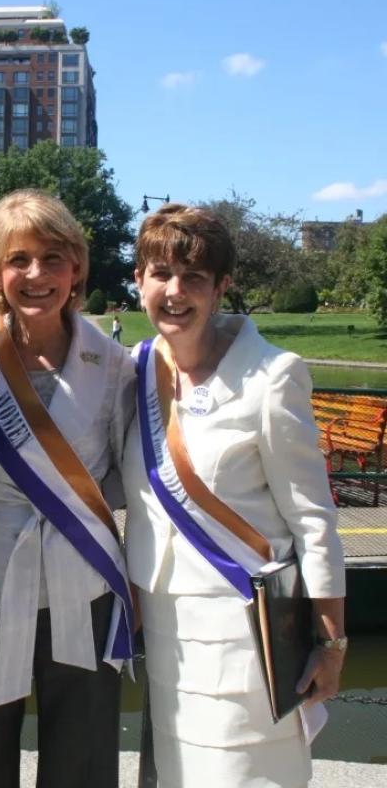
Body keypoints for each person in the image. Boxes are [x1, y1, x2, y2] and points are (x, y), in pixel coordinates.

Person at [122, 204, 346, 788]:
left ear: (221, 287)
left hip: (252, 636)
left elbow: (314, 520)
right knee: (180, 772)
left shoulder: (273, 377)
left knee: (247, 773)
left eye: (194, 278)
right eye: (160, 274)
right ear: (138, 281)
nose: (175, 291)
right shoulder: (134, 372)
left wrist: (332, 642)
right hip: (170, 626)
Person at [0, 189, 137, 788]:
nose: (36, 274)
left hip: (82, 573)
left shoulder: (114, 363)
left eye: (53, 258)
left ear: (77, 267)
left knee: (82, 750)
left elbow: (121, 475)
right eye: (18, 258)